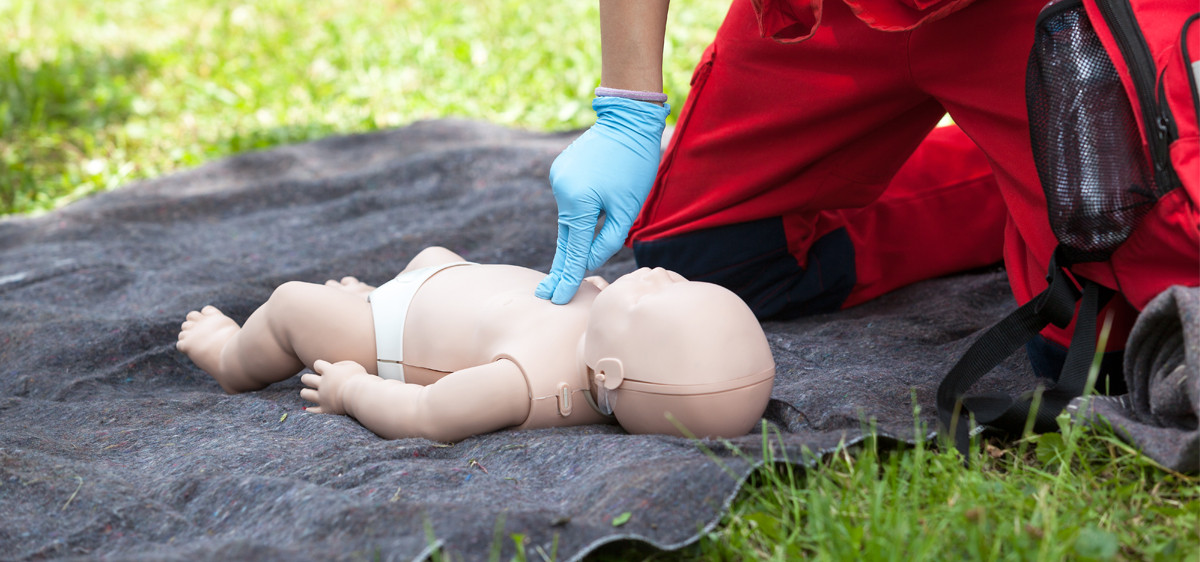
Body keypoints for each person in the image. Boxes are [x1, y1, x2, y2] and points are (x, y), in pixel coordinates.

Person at [535, 0, 1199, 382]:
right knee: (705, 254)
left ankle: (1045, 174)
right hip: (846, 10)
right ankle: (1027, 175)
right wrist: (629, 108)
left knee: (1105, 330)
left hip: (1029, 13)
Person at [176, 247, 775, 442]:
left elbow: (429, 414)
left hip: (386, 333)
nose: (662, 276)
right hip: (438, 280)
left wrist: (353, 388)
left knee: (291, 304)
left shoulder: (525, 384)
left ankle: (231, 356)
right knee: (436, 255)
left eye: (655, 298)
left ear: (610, 372)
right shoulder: (609, 333)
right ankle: (369, 293)